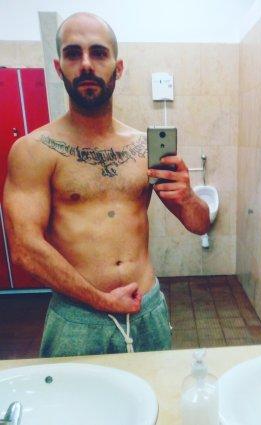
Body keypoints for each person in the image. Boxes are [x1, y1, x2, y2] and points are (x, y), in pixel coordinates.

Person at [3, 12, 210, 357]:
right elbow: (25, 250)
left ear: (119, 67)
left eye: (98, 53)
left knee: (155, 392)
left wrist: (187, 196)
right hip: (78, 319)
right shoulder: (33, 151)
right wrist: (102, 301)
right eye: (73, 53)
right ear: (58, 67)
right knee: (76, 395)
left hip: (146, 311)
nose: (86, 64)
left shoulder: (145, 147)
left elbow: (199, 225)